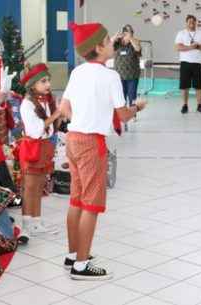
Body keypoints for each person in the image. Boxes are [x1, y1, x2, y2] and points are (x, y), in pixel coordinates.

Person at [62, 22, 147, 280]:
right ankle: (81, 265)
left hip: (73, 139)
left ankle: (73, 254)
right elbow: (123, 115)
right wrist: (138, 107)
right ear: (99, 47)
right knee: (91, 204)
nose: (113, 43)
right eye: (109, 41)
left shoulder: (77, 72)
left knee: (77, 198)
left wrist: (84, 117)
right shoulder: (111, 77)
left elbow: (64, 108)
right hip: (90, 144)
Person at [17, 63, 62, 242]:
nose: (47, 84)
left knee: (39, 186)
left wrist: (59, 115)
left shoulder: (46, 100)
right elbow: (36, 130)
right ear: (33, 84)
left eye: (48, 80)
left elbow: (51, 128)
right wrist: (56, 114)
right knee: (30, 187)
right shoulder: (27, 104)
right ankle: (28, 222)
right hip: (32, 149)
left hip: (44, 148)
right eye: (43, 81)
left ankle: (37, 220)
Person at [175, 15, 201, 114]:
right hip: (185, 62)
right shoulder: (181, 33)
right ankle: (185, 105)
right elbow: (178, 47)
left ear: (196, 23)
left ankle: (199, 105)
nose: (192, 23)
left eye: (193, 21)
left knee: (199, 86)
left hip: (198, 63)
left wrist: (197, 46)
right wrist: (191, 47)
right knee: (184, 86)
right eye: (190, 21)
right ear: (186, 23)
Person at [113, 24, 142, 107]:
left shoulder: (135, 41)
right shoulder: (117, 43)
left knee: (132, 95)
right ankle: (123, 113)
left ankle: (133, 114)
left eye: (130, 32)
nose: (127, 34)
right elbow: (109, 46)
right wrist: (115, 37)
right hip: (119, 75)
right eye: (125, 32)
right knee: (121, 96)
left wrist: (130, 38)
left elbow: (137, 49)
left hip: (132, 75)